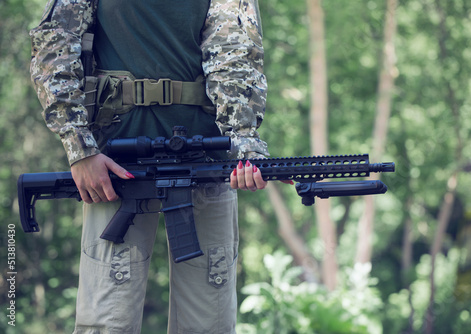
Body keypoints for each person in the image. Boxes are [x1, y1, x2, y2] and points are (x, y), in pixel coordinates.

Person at [29, 0, 283, 332]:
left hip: (206, 162)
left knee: (210, 323)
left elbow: (237, 53)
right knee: (106, 321)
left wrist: (245, 143)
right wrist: (79, 148)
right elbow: (55, 44)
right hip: (116, 171)